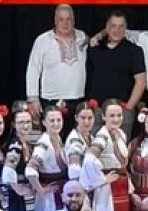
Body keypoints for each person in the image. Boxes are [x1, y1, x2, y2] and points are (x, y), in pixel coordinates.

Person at [26, 4, 89, 137]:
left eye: (68, 19)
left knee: (76, 140)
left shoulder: (82, 37)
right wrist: (32, 98)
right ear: (55, 20)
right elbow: (33, 69)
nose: (65, 23)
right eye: (61, 19)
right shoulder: (43, 40)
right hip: (51, 100)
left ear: (74, 20)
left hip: (78, 100)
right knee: (52, 139)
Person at [85, 10, 146, 137]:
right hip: (97, 111)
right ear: (107, 27)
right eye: (113, 26)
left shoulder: (134, 51)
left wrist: (128, 108)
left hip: (122, 111)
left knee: (120, 146)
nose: (117, 30)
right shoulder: (94, 49)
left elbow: (141, 82)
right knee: (95, 145)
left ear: (126, 28)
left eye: (121, 26)